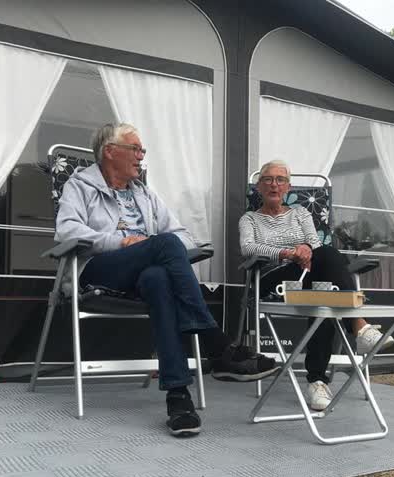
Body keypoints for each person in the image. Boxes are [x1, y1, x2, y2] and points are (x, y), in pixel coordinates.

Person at [55, 123, 278, 437]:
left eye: (142, 150)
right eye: (135, 149)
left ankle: (178, 397)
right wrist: (120, 242)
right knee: (164, 246)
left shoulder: (144, 194)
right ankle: (217, 344)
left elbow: (182, 236)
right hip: (98, 270)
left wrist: (157, 250)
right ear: (110, 151)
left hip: (143, 274)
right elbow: (67, 231)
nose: (141, 156)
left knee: (159, 277)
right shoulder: (79, 186)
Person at [238, 159, 394, 411]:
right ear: (259, 187)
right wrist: (288, 253)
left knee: (325, 294)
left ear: (288, 187)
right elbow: (248, 248)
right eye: (267, 179)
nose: (274, 184)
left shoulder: (301, 213)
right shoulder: (250, 219)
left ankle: (317, 383)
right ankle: (358, 326)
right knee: (328, 260)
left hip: (308, 276)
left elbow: (314, 242)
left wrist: (305, 248)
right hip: (273, 279)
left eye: (280, 180)